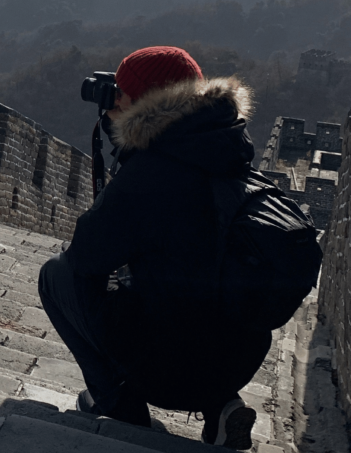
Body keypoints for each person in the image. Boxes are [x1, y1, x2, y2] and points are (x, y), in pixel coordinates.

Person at [38, 46, 271, 450]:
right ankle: (222, 409)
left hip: (169, 370)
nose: (111, 104)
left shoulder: (152, 171)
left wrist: (127, 164)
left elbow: (85, 258)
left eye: (121, 95)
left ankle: (119, 407)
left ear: (146, 104)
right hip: (239, 359)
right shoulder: (230, 151)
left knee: (57, 275)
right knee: (201, 288)